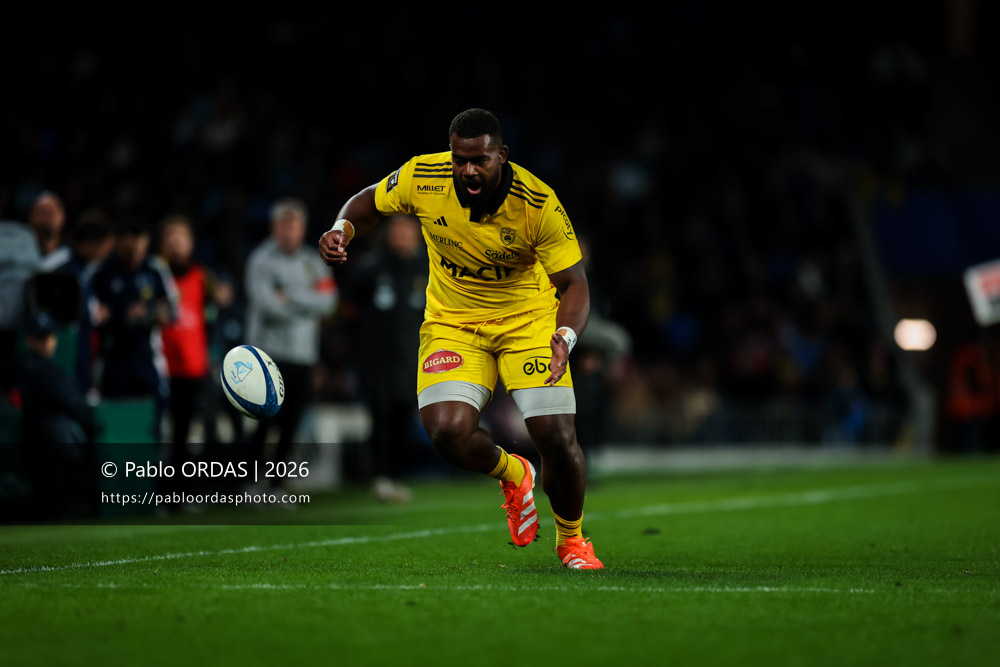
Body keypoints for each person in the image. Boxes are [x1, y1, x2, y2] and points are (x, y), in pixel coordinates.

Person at [319, 108, 603, 569]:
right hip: (453, 323)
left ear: (501, 156)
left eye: (480, 160)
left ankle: (571, 540)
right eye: (460, 159)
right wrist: (340, 229)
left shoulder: (538, 203)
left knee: (555, 435)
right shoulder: (422, 177)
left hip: (526, 322)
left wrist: (565, 336)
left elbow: (575, 285)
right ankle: (514, 473)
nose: (468, 169)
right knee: (447, 432)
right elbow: (367, 202)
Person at [246, 197, 337, 487]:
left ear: (302, 228)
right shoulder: (261, 260)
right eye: (283, 225)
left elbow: (329, 303)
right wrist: (308, 301)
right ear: (274, 228)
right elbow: (268, 306)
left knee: (291, 423)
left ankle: (276, 486)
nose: (288, 231)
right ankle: (248, 484)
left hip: (302, 354)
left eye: (293, 225)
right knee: (263, 423)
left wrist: (289, 295)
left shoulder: (314, 261)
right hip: (267, 355)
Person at [346, 214, 427, 503]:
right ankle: (380, 477)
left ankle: (396, 476)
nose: (402, 237)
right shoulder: (371, 267)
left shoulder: (427, 269)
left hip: (413, 361)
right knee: (380, 418)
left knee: (404, 420)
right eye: (397, 232)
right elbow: (349, 310)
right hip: (376, 362)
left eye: (407, 232)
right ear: (388, 235)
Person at [91, 218, 179, 441]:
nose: (135, 256)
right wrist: (121, 316)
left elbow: (172, 308)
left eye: (140, 250)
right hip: (112, 358)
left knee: (155, 419)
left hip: (147, 355)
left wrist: (152, 312)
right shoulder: (102, 271)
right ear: (119, 243)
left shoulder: (155, 268)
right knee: (114, 420)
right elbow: (93, 313)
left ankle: (152, 470)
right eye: (130, 251)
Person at [14, 311, 99, 519]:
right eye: (40, 337)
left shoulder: (46, 367)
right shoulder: (35, 368)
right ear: (29, 340)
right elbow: (70, 401)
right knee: (51, 505)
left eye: (48, 336)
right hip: (47, 441)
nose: (46, 342)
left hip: (48, 441)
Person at [27, 191, 71, 273]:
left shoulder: (73, 256)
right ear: (30, 218)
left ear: (63, 216)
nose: (48, 217)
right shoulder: (22, 257)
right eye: (42, 212)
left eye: (52, 212)